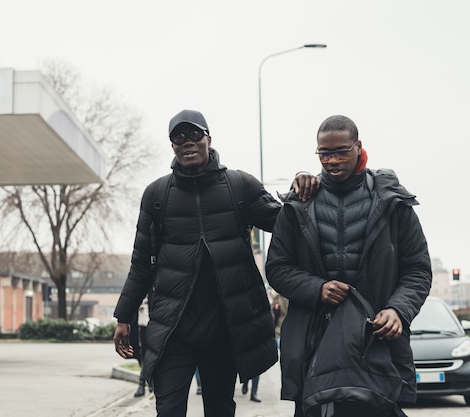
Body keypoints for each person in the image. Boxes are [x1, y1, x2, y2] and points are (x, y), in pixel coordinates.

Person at [112, 109, 319, 417]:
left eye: (195, 135)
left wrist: (302, 189)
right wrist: (123, 317)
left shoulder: (239, 186)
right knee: (168, 410)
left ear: (208, 139)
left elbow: (282, 220)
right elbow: (142, 263)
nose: (187, 143)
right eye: (178, 138)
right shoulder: (157, 195)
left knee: (220, 409)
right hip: (173, 329)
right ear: (172, 146)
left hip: (224, 329)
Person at [265, 115, 432, 417]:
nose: (332, 160)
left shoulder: (394, 204)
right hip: (314, 342)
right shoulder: (299, 204)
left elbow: (418, 269)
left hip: (376, 340)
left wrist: (398, 310)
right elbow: (277, 268)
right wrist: (317, 288)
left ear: (359, 146)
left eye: (341, 151)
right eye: (324, 153)